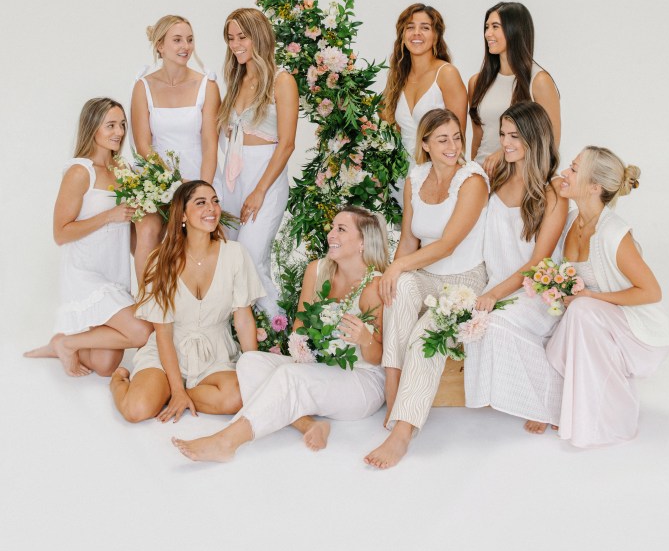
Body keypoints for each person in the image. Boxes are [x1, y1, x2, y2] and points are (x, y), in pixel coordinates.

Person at [171, 206, 388, 462]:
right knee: (250, 361)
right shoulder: (317, 270)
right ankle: (308, 424)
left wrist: (364, 339)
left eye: (341, 229)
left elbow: (376, 358)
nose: (331, 234)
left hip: (361, 380)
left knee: (290, 376)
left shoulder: (374, 285)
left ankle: (227, 441)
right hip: (321, 367)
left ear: (363, 242)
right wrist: (304, 350)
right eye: (332, 228)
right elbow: (299, 328)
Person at [364, 108, 488, 469]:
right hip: (426, 274)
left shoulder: (472, 181)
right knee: (399, 289)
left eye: (457, 138)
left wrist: (398, 266)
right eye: (442, 139)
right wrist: (391, 275)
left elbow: (448, 245)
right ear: (425, 144)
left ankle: (403, 433)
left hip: (463, 281)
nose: (452, 146)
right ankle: (393, 393)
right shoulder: (415, 178)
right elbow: (408, 240)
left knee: (425, 336)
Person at [546, 147, 669, 448]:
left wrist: (591, 297)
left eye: (574, 169)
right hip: (597, 320)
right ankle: (569, 407)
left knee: (582, 311)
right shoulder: (572, 220)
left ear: (594, 187)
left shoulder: (614, 234)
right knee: (578, 313)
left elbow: (651, 292)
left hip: (636, 331)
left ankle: (614, 421)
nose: (565, 172)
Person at [110, 180, 264, 423]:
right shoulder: (160, 261)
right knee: (136, 410)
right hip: (168, 349)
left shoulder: (235, 253)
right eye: (201, 203)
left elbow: (243, 320)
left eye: (215, 201)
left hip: (215, 352)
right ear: (182, 214)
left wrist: (255, 370)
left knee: (235, 398)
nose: (211, 208)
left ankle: (171, 395)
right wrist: (177, 387)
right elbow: (163, 333)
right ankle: (120, 382)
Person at [24, 98, 152, 376]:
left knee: (104, 366)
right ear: (93, 127)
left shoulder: (124, 171)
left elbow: (132, 238)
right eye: (110, 125)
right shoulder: (80, 171)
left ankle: (58, 344)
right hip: (85, 273)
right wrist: (109, 216)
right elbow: (60, 233)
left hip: (114, 274)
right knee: (142, 331)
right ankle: (67, 344)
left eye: (122, 124)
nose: (119, 132)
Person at [463, 101, 568, 433]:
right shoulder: (495, 178)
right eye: (503, 134)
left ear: (534, 139)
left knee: (495, 324)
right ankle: (534, 396)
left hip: (535, 291)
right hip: (496, 282)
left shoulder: (553, 192)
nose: (505, 143)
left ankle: (553, 401)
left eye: (514, 136)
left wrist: (494, 295)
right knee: (476, 325)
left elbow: (538, 263)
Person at [217, 8, 298, 317]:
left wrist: (260, 190)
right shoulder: (237, 79)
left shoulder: (282, 80)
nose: (236, 45)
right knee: (230, 258)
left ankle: (281, 327)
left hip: (265, 177)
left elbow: (287, 144)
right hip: (233, 177)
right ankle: (247, 328)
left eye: (243, 37)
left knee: (251, 257)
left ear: (259, 36)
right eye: (231, 38)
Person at [130, 15, 220, 282]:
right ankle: (146, 298)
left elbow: (210, 144)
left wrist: (201, 190)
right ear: (160, 46)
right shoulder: (143, 87)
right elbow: (143, 146)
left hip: (198, 176)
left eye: (190, 40)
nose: (186, 46)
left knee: (195, 241)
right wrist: (171, 182)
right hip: (155, 178)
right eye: (177, 40)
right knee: (148, 230)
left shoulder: (207, 86)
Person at [468, 2, 560, 177]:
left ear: (515, 30)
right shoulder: (477, 82)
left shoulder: (539, 81)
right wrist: (472, 175)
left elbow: (551, 142)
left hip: (519, 177)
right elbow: (477, 139)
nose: (488, 33)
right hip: (481, 175)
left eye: (495, 26)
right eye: (487, 27)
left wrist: (502, 153)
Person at [381, 3, 468, 167]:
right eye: (410, 27)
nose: (416, 33)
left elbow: (458, 139)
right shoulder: (398, 78)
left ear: (436, 36)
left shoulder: (446, 74)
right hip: (403, 173)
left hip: (438, 171)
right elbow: (392, 129)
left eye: (425, 28)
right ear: (402, 35)